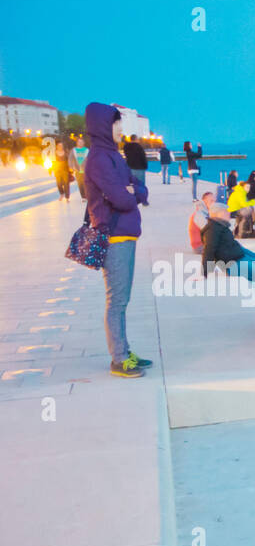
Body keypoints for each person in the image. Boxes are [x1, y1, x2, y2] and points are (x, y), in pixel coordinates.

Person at [84, 102, 151, 378]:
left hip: (126, 234)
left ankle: (124, 350)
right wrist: (131, 192)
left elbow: (139, 189)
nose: (120, 130)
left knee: (122, 299)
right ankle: (118, 359)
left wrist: (132, 191)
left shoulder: (114, 156)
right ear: (102, 127)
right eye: (116, 125)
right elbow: (124, 198)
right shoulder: (99, 159)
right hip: (114, 236)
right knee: (117, 301)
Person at [200, 206, 255, 286]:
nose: (228, 213)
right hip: (233, 265)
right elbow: (208, 251)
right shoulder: (212, 230)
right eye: (225, 212)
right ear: (217, 214)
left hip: (240, 258)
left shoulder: (221, 226)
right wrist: (204, 273)